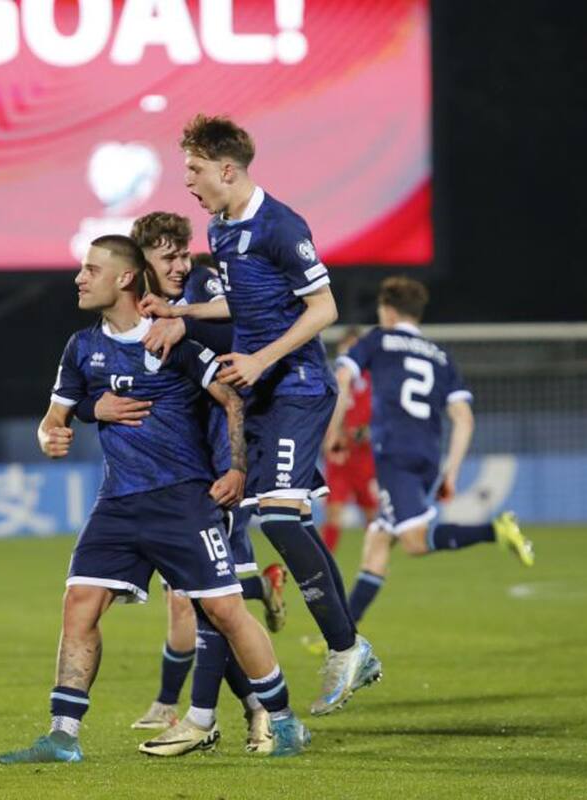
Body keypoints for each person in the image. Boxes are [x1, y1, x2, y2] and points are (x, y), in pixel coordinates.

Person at [0, 235, 311, 764]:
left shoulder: (170, 340)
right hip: (117, 501)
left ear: (123, 278)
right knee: (79, 605)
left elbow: (231, 397)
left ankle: (282, 720)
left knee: (225, 610)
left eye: (90, 269)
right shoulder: (80, 348)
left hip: (181, 500)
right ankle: (63, 735)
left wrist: (236, 468)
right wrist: (53, 434)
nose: (79, 278)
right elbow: (53, 420)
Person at [181, 113, 378, 716]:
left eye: (193, 169)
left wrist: (262, 359)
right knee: (284, 520)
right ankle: (349, 648)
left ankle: (347, 647)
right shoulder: (219, 229)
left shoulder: (280, 224)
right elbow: (243, 305)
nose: (187, 181)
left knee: (278, 519)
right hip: (265, 395)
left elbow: (323, 308)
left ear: (227, 168)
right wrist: (180, 312)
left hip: (296, 384)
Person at [73, 212, 285, 755]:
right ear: (138, 267)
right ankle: (207, 710)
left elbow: (249, 323)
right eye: (167, 257)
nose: (181, 264)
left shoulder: (201, 292)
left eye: (182, 254)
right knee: (196, 601)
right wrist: (92, 407)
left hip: (220, 469)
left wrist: (185, 317)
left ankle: (214, 715)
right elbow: (95, 383)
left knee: (214, 601)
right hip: (186, 476)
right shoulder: (141, 319)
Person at [327, 277, 534, 624]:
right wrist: (450, 472)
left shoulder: (378, 340)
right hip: (427, 455)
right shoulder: (441, 356)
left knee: (414, 542)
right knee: (378, 542)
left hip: (393, 452)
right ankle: (341, 637)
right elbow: (464, 418)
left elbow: (343, 379)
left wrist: (333, 432)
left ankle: (495, 529)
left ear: (389, 312)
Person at [322, 327, 380, 553]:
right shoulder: (332, 379)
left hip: (364, 456)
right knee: (334, 513)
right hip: (339, 456)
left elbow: (381, 419)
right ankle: (324, 563)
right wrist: (330, 436)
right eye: (345, 348)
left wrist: (363, 433)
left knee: (370, 514)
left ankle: (375, 560)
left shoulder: (372, 380)